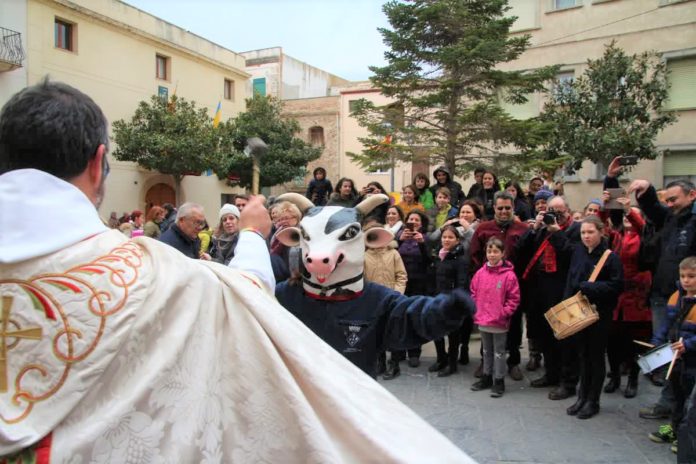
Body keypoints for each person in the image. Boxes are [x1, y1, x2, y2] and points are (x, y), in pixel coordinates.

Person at [0, 80, 474, 462]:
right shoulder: (149, 273)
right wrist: (250, 233)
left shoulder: (373, 298)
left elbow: (400, 316)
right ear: (99, 162)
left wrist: (444, 309)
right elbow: (243, 292)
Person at [273, 194, 475, 380]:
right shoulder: (284, 297)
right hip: (301, 402)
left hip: (354, 401)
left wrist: (444, 311)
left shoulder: (376, 300)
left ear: (369, 240)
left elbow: (409, 318)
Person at [626, 160, 696, 420]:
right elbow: (653, 209)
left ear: (692, 195)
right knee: (665, 350)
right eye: (667, 200)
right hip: (662, 295)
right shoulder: (671, 218)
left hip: (689, 301)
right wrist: (647, 190)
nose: (670, 204)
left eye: (674, 199)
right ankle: (668, 405)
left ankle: (683, 410)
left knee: (683, 353)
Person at [549, 215, 624, 419]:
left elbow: (617, 286)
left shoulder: (611, 257)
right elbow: (571, 280)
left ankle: (593, 401)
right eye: (583, 232)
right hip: (579, 312)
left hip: (599, 315)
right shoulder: (579, 252)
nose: (586, 236)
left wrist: (592, 287)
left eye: (591, 232)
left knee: (596, 358)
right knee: (582, 356)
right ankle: (582, 397)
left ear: (601, 232)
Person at [515, 195, 582, 399]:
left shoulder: (576, 230)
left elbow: (573, 256)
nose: (555, 216)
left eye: (559, 212)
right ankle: (551, 374)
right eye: (551, 211)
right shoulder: (542, 228)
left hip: (563, 290)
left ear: (568, 211)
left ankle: (568, 382)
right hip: (540, 288)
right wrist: (534, 228)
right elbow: (521, 251)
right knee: (544, 336)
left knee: (565, 339)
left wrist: (556, 232)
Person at [469, 191, 528, 381]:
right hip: (488, 287)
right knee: (487, 324)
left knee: (514, 325)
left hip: (514, 286)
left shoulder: (523, 229)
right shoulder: (483, 229)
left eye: (508, 208)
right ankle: (485, 362)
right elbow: (474, 255)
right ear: (494, 208)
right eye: (500, 208)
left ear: (513, 208)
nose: (504, 211)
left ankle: (513, 363)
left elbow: (530, 256)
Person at [599, 192, 652, 399]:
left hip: (637, 297)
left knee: (634, 342)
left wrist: (630, 211)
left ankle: (633, 379)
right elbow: (601, 229)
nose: (629, 219)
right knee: (612, 340)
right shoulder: (617, 236)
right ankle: (614, 377)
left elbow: (642, 228)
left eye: (633, 215)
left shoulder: (646, 236)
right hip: (616, 296)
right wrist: (605, 208)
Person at [648, 257, 696, 461]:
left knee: (689, 401)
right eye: (683, 276)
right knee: (676, 395)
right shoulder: (676, 296)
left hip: (692, 360)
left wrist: (689, 344)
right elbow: (666, 324)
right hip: (676, 357)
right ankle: (675, 429)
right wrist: (657, 340)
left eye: (692, 276)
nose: (686, 280)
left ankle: (685, 436)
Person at [470, 237, 521, 397]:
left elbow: (514, 298)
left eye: (495, 251)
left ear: (502, 253)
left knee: (499, 352)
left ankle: (499, 380)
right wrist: (476, 309)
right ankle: (486, 377)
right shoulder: (480, 273)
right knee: (486, 351)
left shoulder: (509, 276)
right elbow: (473, 292)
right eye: (489, 251)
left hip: (499, 321)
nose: (492, 255)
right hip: (483, 319)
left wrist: (504, 312)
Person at [386, 210, 433, 379]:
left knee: (415, 317)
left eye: (416, 219)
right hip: (399, 283)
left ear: (421, 223)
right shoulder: (398, 236)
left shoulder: (425, 238)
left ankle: (414, 352)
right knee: (398, 318)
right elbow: (390, 254)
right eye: (410, 219)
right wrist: (399, 240)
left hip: (418, 283)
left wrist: (421, 243)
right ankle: (398, 352)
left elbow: (429, 260)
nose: (413, 222)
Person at [363, 220, 408, 375]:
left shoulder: (393, 253)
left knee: (393, 333)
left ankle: (394, 364)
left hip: (392, 299)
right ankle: (380, 363)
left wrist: (397, 294)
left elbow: (401, 275)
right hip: (373, 301)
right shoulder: (363, 256)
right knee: (377, 333)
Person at [429, 226, 470, 377]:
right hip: (437, 299)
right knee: (436, 332)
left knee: (453, 335)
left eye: (450, 237)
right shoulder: (439, 256)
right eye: (444, 237)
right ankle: (441, 358)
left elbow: (462, 282)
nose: (446, 240)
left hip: (452, 302)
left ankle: (452, 364)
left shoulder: (461, 259)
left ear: (457, 240)